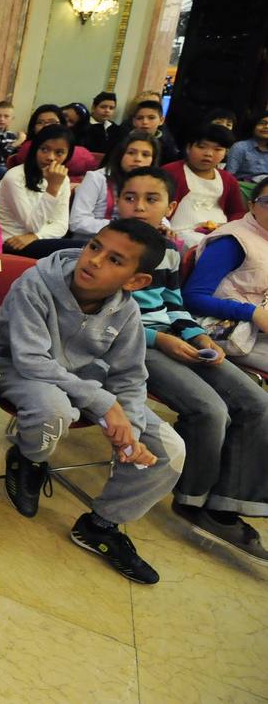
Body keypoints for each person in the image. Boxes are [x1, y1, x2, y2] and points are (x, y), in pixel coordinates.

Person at [0, 221, 186, 584]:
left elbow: (129, 375)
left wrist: (131, 433)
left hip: (82, 383)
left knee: (171, 450)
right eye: (94, 247)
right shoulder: (36, 282)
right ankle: (28, 458)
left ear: (136, 281)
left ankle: (100, 525)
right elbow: (31, 359)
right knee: (54, 410)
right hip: (15, 367)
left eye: (114, 259)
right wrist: (103, 403)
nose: (94, 261)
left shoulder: (125, 310)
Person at [114, 166, 268, 563]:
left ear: (172, 205)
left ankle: (226, 501)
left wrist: (197, 337)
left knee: (255, 401)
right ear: (117, 200)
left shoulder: (168, 251)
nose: (139, 207)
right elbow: (102, 320)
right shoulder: (104, 247)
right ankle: (193, 497)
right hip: (131, 343)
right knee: (210, 409)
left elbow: (174, 305)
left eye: (151, 200)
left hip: (172, 337)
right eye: (130, 197)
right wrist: (160, 339)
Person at [184, 177, 268, 373]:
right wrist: (253, 313)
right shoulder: (232, 242)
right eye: (267, 202)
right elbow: (192, 298)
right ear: (252, 206)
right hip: (230, 329)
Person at [0, 124, 85, 258]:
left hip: (38, 239)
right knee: (81, 251)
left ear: (68, 155)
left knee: (85, 249)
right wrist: (53, 188)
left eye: (59, 153)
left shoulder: (63, 178)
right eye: (44, 149)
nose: (50, 157)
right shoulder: (14, 177)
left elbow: (61, 225)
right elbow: (32, 225)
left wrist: (36, 236)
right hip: (11, 242)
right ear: (35, 149)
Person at [163, 123, 245, 249]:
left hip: (220, 232)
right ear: (188, 147)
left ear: (225, 153)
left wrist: (228, 227)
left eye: (217, 149)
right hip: (180, 233)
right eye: (201, 147)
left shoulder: (228, 179)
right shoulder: (171, 172)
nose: (209, 154)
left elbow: (237, 211)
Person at [70, 130, 158, 238]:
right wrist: (123, 227)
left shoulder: (152, 183)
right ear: (120, 155)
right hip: (90, 242)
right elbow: (77, 222)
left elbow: (160, 213)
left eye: (145, 155)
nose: (138, 159)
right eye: (131, 153)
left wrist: (163, 226)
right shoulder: (96, 178)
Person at [9, 104, 99, 176]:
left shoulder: (73, 147)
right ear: (33, 127)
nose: (46, 126)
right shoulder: (28, 148)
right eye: (40, 122)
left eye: (52, 122)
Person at [225, 109, 268, 197]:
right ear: (253, 126)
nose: (266, 127)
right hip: (244, 189)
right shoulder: (240, 147)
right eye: (262, 123)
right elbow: (228, 176)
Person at [128, 98, 180, 165]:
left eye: (151, 118)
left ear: (161, 120)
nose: (145, 122)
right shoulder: (124, 140)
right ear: (134, 121)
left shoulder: (168, 147)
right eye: (140, 118)